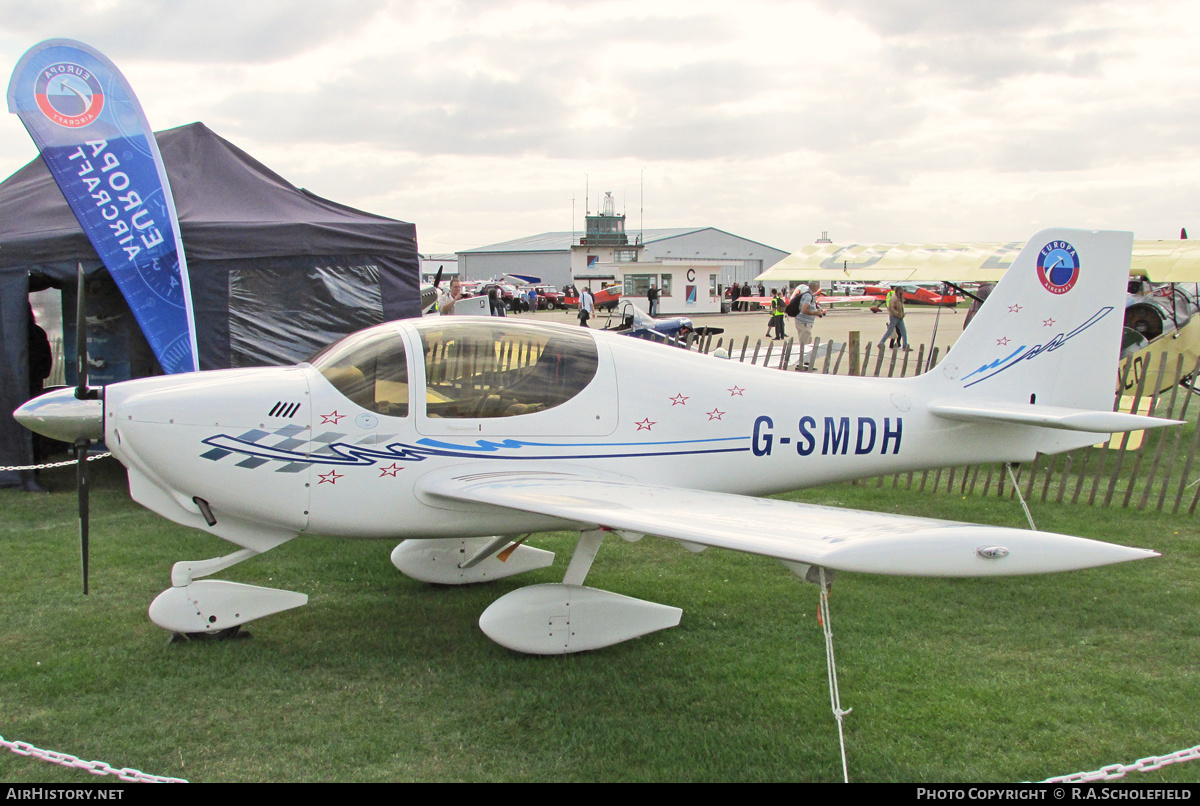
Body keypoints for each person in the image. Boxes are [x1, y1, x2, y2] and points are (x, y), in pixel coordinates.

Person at [791, 283, 825, 362]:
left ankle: (805, 362)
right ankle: (802, 363)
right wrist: (816, 313)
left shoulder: (808, 295)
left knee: (807, 341)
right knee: (805, 343)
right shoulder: (808, 296)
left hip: (805, 322)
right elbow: (804, 310)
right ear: (815, 286)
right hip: (803, 322)